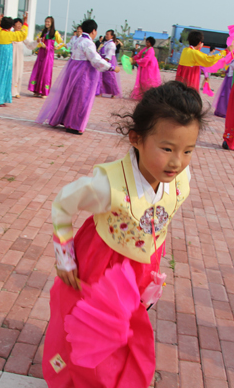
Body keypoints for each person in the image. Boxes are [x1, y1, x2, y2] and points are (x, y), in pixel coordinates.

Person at [42, 80, 204, 388]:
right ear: (136, 138)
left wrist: (153, 263)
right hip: (102, 264)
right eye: (167, 149)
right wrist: (65, 258)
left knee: (127, 327)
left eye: (188, 151)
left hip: (142, 266)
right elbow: (63, 205)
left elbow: (159, 217)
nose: (177, 162)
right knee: (94, 329)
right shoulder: (107, 185)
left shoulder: (181, 177)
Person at [35, 19, 120, 135]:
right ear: (93, 31)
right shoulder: (88, 43)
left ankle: (66, 120)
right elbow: (95, 60)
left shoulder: (77, 40)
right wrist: (112, 67)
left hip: (74, 71)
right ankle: (74, 125)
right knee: (81, 98)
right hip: (84, 73)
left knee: (71, 96)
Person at [0, 14, 28, 107]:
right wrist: (25, 22)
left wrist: (0, 21)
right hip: (5, 60)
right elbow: (23, 34)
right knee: (3, 77)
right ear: (10, 27)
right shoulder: (10, 35)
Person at [29, 16, 64, 98]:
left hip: (49, 54)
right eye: (46, 21)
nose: (47, 23)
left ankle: (44, 92)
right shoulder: (42, 31)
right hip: (41, 52)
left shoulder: (55, 33)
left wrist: (56, 47)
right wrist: (40, 42)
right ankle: (36, 90)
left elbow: (61, 42)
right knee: (38, 69)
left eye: (48, 22)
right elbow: (37, 38)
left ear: (52, 23)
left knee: (46, 71)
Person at [12, 17, 37, 98]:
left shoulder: (22, 36)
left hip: (19, 57)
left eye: (20, 24)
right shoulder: (10, 34)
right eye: (17, 24)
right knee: (11, 73)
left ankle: (16, 91)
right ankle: (9, 91)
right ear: (13, 25)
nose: (19, 26)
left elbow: (29, 44)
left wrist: (37, 42)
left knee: (18, 73)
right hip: (10, 56)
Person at [96, 30, 123, 98]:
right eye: (106, 34)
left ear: (112, 36)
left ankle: (114, 92)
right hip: (103, 59)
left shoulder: (112, 44)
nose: (106, 35)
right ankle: (100, 92)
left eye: (108, 34)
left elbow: (109, 54)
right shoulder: (105, 43)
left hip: (108, 61)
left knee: (110, 77)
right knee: (101, 76)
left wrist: (105, 62)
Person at [213, 52, 234, 118]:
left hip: (231, 78)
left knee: (227, 94)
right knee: (224, 94)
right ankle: (221, 110)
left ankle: (225, 111)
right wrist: (225, 71)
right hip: (228, 77)